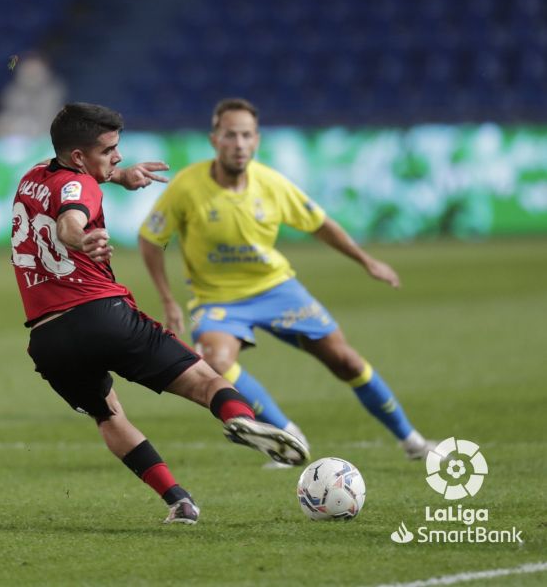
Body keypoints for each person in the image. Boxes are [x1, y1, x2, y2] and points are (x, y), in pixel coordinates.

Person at [11, 102, 308, 525]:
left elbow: (67, 184)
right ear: (79, 157)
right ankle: (242, 420)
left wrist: (119, 175)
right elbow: (68, 222)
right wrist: (82, 240)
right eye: (110, 150)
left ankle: (178, 500)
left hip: (47, 341)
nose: (118, 156)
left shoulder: (31, 179)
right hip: (100, 317)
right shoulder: (83, 188)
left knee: (109, 415)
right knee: (207, 379)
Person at [138, 98, 436, 463]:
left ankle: (413, 442)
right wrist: (168, 299)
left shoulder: (271, 184)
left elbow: (320, 224)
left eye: (247, 135)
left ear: (257, 140)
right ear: (215, 140)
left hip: (277, 290)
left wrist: (366, 261)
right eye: (230, 135)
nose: (239, 143)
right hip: (218, 300)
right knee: (215, 360)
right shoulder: (187, 187)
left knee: (346, 361)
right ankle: (286, 435)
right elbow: (151, 239)